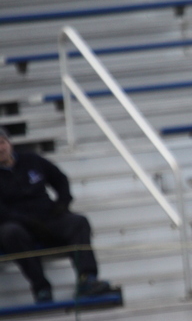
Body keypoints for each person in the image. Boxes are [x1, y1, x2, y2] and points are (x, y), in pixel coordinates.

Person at [0, 127, 116, 303]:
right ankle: (41, 288)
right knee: (10, 233)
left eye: (2, 143)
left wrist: (62, 204)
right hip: (18, 224)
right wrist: (28, 221)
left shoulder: (32, 160)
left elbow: (60, 180)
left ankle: (87, 280)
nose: (0, 149)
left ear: (10, 143)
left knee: (78, 222)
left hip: (47, 217)